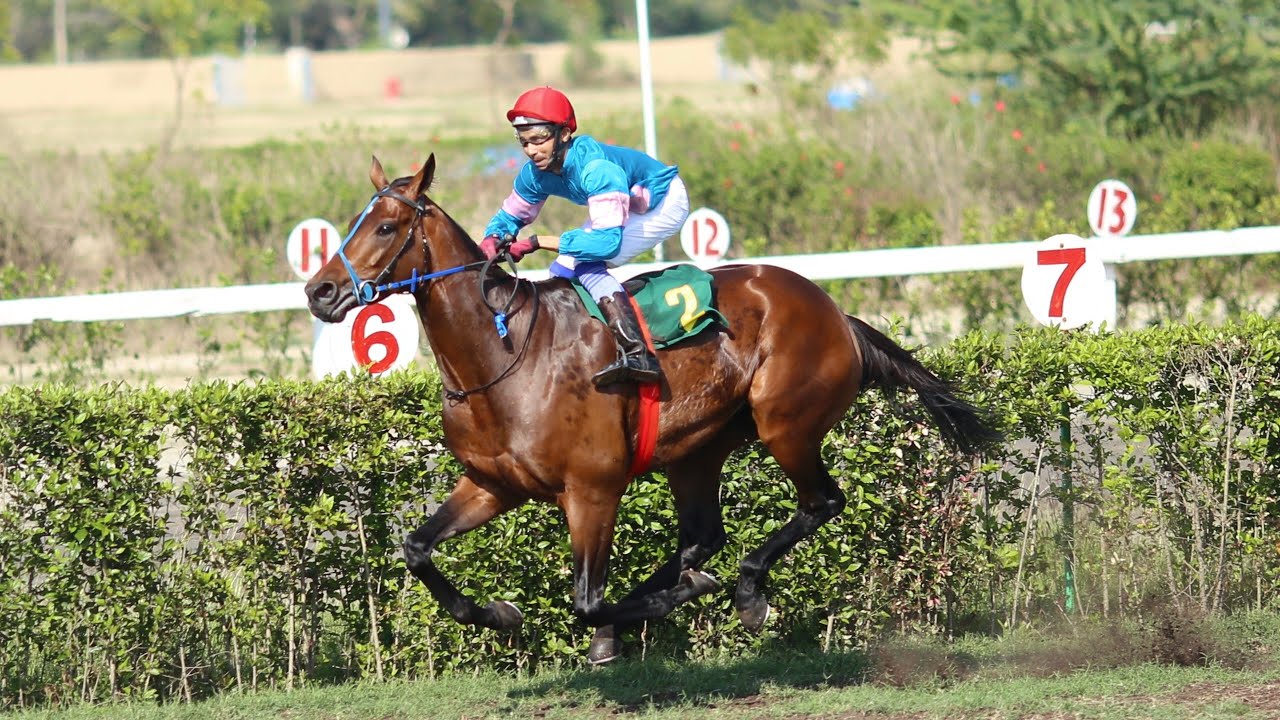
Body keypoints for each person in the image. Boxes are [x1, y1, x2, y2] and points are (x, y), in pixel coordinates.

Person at [479, 85, 690, 387]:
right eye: (524, 142)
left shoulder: (596, 169)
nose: (531, 150)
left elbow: (607, 243)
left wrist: (539, 242)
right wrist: (492, 238)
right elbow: (512, 216)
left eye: (539, 139)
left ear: (564, 134)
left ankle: (637, 352)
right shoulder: (535, 173)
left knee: (587, 263)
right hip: (626, 200)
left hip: (662, 201)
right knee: (561, 271)